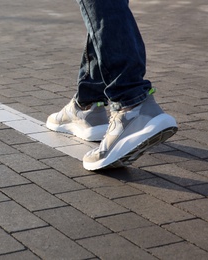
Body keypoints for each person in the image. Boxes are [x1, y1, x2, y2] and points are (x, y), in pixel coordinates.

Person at [46, 0, 178, 171]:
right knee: (102, 8)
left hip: (131, 99)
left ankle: (131, 105)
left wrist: (130, 94)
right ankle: (88, 103)